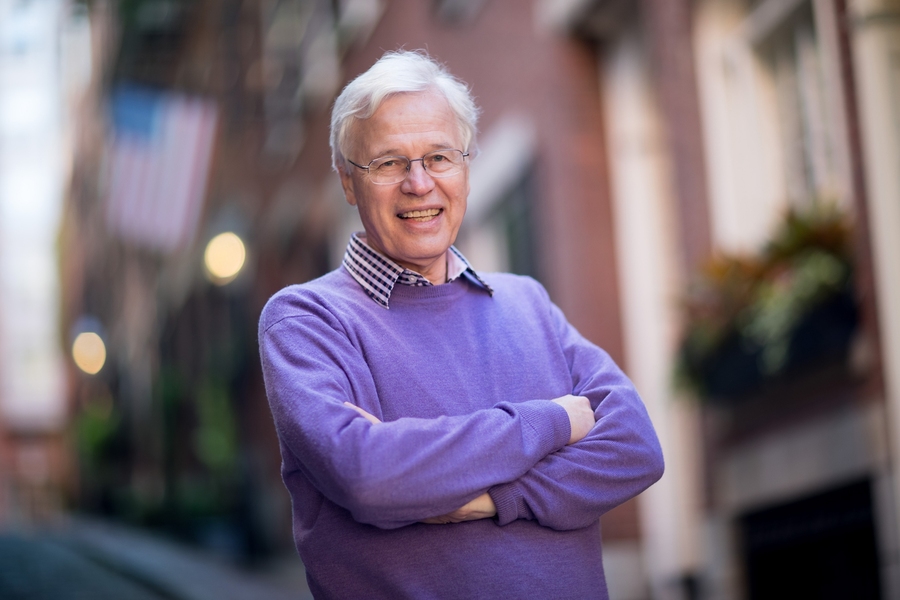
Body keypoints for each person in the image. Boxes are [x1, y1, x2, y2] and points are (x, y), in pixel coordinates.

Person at [258, 49, 664, 599]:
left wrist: (489, 498)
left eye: (440, 157)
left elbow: (636, 447)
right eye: (388, 162)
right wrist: (551, 422)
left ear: (466, 167)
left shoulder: (528, 303)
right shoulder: (307, 321)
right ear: (348, 182)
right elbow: (367, 473)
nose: (420, 184)